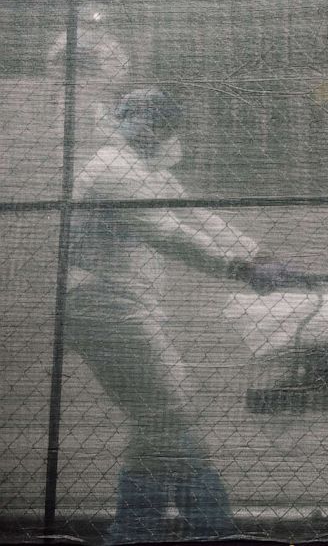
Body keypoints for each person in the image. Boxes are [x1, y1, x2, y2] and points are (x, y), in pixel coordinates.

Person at [55, 28, 292, 543]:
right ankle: (185, 526)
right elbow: (166, 232)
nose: (144, 127)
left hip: (119, 301)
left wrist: (256, 253)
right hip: (102, 303)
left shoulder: (144, 169)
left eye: (153, 120)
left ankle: (166, 526)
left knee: (161, 414)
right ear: (126, 121)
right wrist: (240, 269)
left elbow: (196, 216)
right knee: (169, 407)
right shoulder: (113, 167)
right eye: (137, 117)